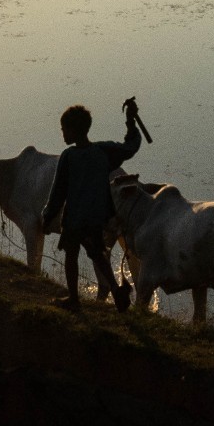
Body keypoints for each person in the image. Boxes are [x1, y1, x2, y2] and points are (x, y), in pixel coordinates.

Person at [41, 99, 143, 311]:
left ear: (72, 130)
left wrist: (47, 215)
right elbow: (130, 148)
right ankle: (116, 291)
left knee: (71, 254)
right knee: (97, 252)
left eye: (64, 129)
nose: (62, 134)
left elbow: (58, 192)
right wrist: (130, 121)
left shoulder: (69, 156)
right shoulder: (103, 152)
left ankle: (73, 299)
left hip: (74, 218)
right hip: (96, 216)